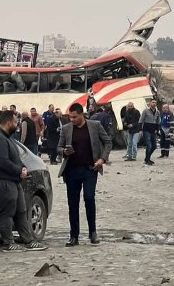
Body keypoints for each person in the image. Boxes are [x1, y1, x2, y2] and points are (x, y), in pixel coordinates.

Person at [0, 110, 47, 252]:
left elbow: (15, 158)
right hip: (2, 181)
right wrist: (18, 171)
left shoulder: (8, 137)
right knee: (7, 211)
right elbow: (2, 162)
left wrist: (23, 168)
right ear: (7, 123)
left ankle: (28, 240)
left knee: (21, 211)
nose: (17, 125)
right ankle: (8, 243)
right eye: (15, 122)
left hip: (14, 180)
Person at [58, 103, 112, 247]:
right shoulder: (66, 129)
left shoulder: (95, 125)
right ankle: (74, 235)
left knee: (89, 199)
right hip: (72, 171)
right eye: (70, 117)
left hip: (90, 169)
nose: (72, 120)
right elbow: (58, 147)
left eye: (75, 117)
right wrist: (64, 151)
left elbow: (107, 142)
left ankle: (92, 232)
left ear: (82, 114)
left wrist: (102, 159)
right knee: (72, 203)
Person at [139, 99, 160, 165]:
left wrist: (157, 129)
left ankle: (147, 158)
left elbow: (158, 122)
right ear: (150, 103)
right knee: (149, 145)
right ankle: (147, 160)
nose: (154, 104)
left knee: (154, 146)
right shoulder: (145, 111)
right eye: (153, 102)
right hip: (146, 130)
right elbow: (141, 120)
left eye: (155, 102)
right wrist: (140, 130)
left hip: (153, 130)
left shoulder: (157, 112)